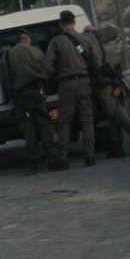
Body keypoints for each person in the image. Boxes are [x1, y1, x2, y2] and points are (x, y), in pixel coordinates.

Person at [83, 24, 130, 157]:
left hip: (102, 82)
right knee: (113, 112)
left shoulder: (83, 39)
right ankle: (117, 147)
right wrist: (96, 30)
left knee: (113, 111)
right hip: (113, 80)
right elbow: (114, 30)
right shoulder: (96, 35)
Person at [45, 10, 96, 170]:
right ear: (74, 22)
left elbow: (47, 66)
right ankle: (90, 156)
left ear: (61, 23)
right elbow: (96, 62)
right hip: (84, 82)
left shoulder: (56, 42)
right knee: (87, 120)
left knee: (64, 121)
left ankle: (62, 159)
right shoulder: (86, 39)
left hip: (67, 85)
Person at [4, 29, 56, 172]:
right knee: (44, 123)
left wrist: (10, 95)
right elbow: (47, 67)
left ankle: (34, 161)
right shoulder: (35, 51)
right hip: (36, 92)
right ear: (28, 40)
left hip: (20, 97)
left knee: (28, 127)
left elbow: (6, 77)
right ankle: (52, 156)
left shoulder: (8, 54)